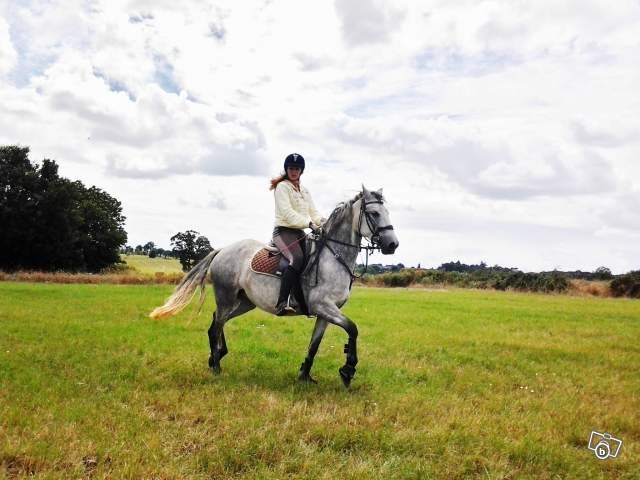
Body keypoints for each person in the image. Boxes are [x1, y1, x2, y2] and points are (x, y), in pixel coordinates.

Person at [270, 153, 325, 316]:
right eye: (291, 168)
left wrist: (324, 222)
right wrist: (309, 224)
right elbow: (286, 213)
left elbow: (313, 212)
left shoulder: (305, 191)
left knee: (314, 259)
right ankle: (281, 303)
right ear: (287, 169)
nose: (294, 171)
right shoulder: (282, 187)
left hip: (299, 232)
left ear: (301, 171)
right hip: (283, 231)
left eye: (297, 168)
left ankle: (303, 302)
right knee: (297, 259)